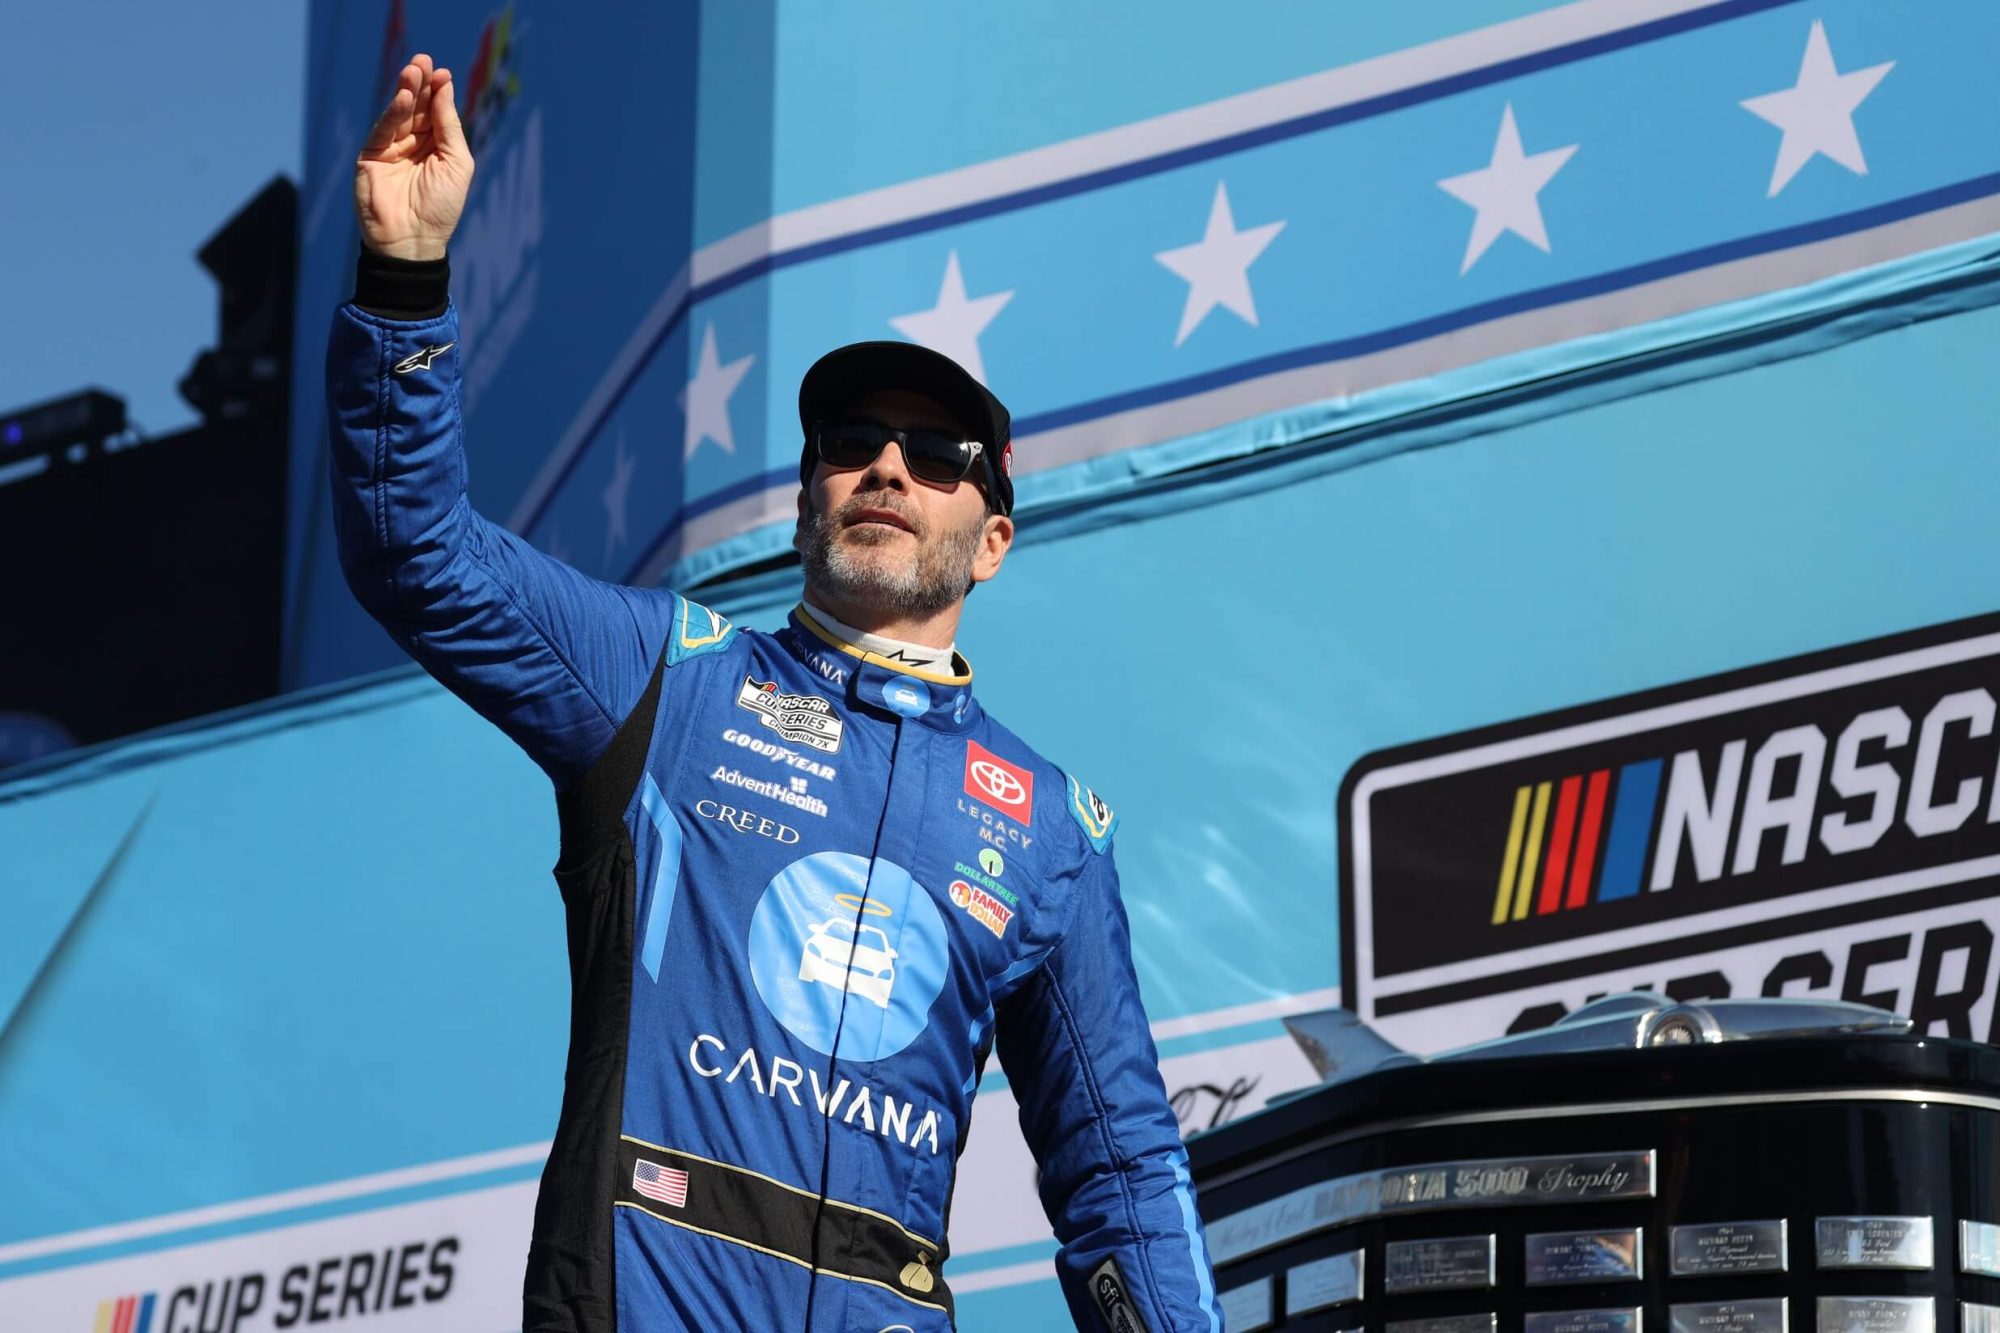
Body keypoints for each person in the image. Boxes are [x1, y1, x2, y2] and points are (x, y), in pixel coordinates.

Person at [330, 54, 1221, 1333]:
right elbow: (414, 550)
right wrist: (405, 282)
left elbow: (1120, 1170)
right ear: (807, 496)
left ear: (993, 537)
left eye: (936, 453)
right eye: (850, 443)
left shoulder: (1048, 829)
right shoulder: (665, 679)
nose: (886, 468)